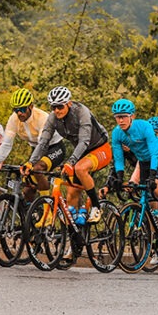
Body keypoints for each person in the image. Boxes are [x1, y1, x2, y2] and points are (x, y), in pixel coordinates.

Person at [22, 86, 111, 223]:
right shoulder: (53, 118)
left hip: (100, 148)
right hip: (81, 153)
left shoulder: (82, 112)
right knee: (71, 197)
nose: (57, 110)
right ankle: (76, 234)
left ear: (69, 103)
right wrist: (31, 162)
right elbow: (43, 142)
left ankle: (96, 206)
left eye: (60, 106)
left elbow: (84, 141)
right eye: (53, 107)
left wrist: (71, 162)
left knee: (80, 168)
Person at [105, 100, 158, 232]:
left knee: (155, 186)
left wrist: (152, 175)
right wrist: (120, 177)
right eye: (117, 117)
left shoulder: (144, 127)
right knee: (148, 199)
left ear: (132, 116)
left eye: (124, 116)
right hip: (144, 161)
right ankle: (157, 231)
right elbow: (118, 157)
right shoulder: (117, 133)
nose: (120, 120)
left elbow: (154, 152)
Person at [0, 87, 64, 202]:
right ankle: (30, 216)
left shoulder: (42, 118)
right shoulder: (14, 119)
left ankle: (47, 211)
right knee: (28, 188)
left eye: (22, 109)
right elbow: (7, 143)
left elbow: (42, 144)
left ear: (31, 106)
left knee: (37, 168)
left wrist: (31, 163)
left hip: (54, 148)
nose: (19, 113)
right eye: (16, 109)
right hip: (36, 149)